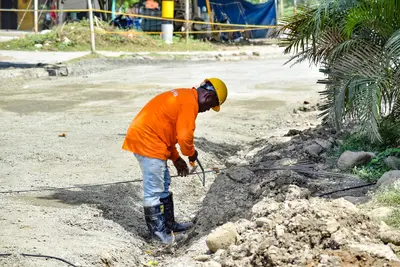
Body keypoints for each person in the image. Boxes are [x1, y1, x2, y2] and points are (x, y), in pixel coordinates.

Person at [122, 78, 228, 244]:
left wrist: (177, 158)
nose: (206, 110)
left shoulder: (184, 97)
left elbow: (167, 133)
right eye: (209, 106)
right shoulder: (189, 104)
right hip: (147, 142)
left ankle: (168, 226)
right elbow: (185, 137)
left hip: (153, 140)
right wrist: (191, 154)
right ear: (208, 97)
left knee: (163, 184)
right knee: (154, 191)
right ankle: (159, 237)